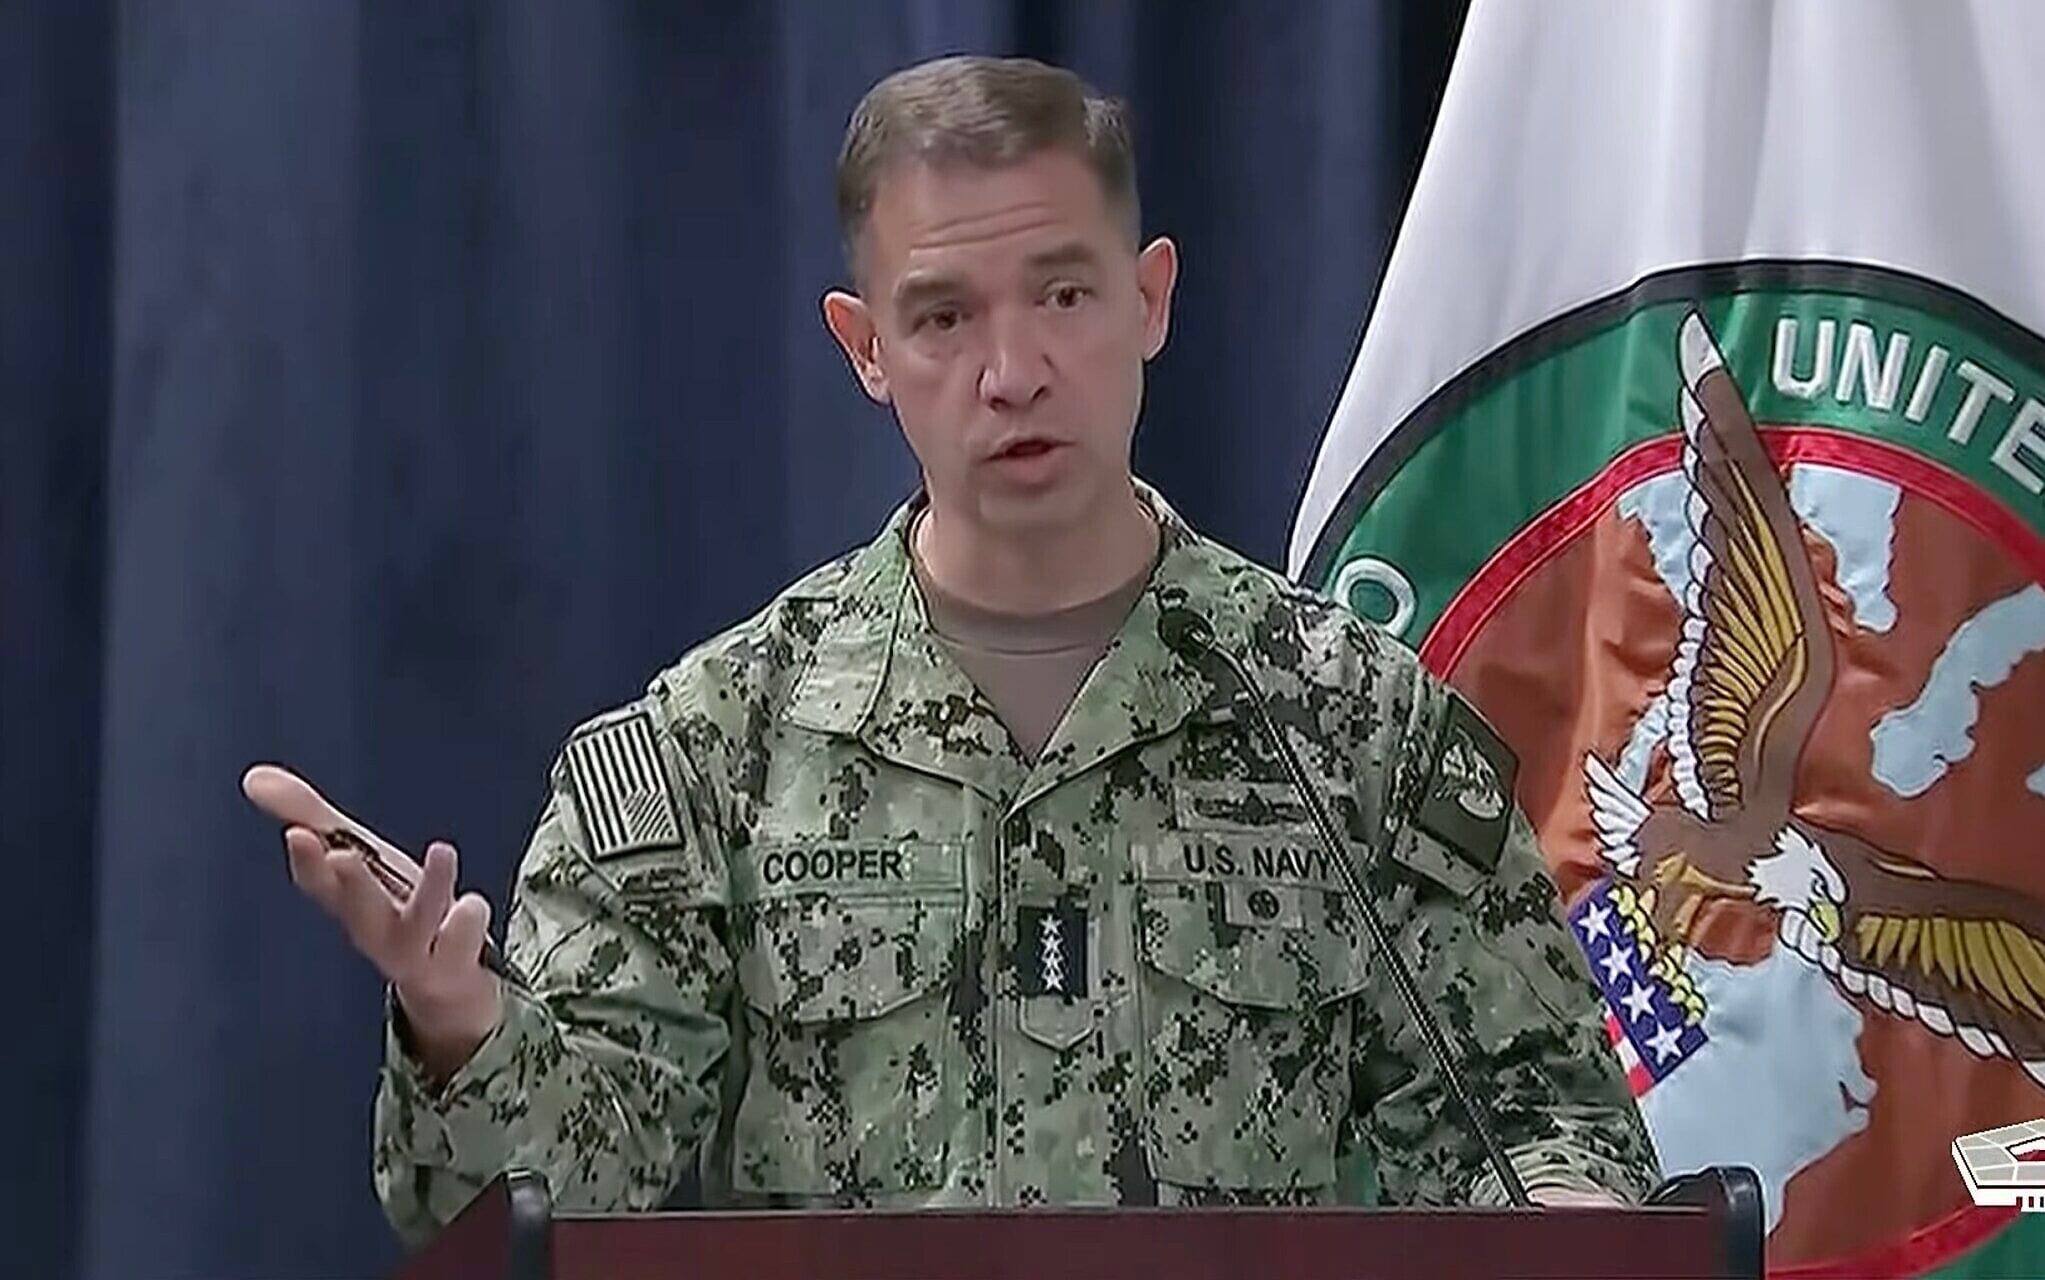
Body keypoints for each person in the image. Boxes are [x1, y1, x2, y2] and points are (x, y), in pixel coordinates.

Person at [246, 54, 1657, 1245]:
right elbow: (553, 1200)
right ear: (865, 348)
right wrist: (460, 1023)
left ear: (1150, 300)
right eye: (942, 317)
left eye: (1063, 295)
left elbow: (1534, 1118)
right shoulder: (718, 743)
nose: (1012, 372)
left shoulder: (1351, 724)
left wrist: (1566, 1211)